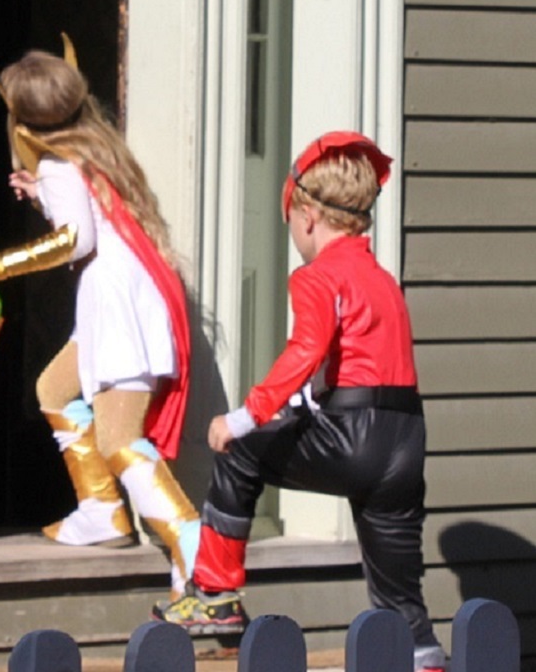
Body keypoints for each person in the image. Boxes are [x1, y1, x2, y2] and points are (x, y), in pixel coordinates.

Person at [154, 131, 447, 672]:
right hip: (404, 442)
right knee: (399, 595)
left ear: (307, 215)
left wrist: (245, 417)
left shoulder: (317, 276)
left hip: (353, 435)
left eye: (289, 218)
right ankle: (426, 659)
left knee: (242, 452)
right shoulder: (382, 281)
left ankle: (215, 596)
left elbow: (307, 350)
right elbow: (367, 368)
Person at [0, 36, 200, 596]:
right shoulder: (90, 147)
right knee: (54, 389)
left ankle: (196, 556)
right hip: (119, 297)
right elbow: (90, 219)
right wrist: (44, 193)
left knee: (121, 438)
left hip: (116, 305)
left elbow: (74, 239)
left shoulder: (57, 164)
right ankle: (101, 509)